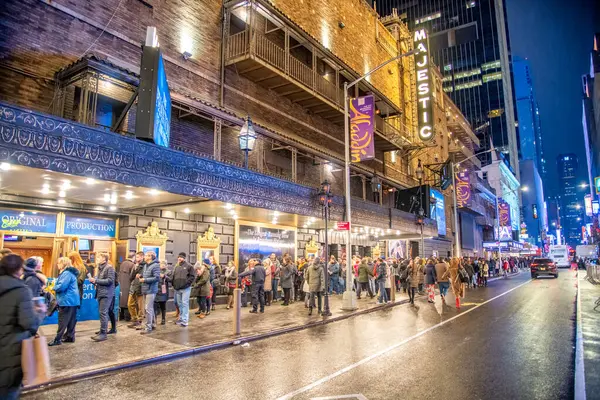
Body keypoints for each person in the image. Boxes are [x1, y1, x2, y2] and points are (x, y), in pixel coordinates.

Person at [0, 254, 47, 399]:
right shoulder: (21, 290)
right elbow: (29, 323)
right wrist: (40, 313)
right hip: (10, 351)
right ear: (19, 269)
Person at [48, 257, 80, 346]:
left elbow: (62, 286)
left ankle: (57, 339)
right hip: (72, 301)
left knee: (63, 320)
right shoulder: (70, 273)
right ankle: (70, 337)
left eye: (59, 263)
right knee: (71, 320)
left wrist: (52, 288)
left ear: (63, 264)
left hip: (67, 300)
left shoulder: (66, 273)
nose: (57, 265)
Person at [89, 252, 115, 342]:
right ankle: (102, 330)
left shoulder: (109, 268)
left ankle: (103, 333)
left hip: (106, 293)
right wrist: (94, 281)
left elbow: (110, 281)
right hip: (101, 292)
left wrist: (97, 280)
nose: (97, 259)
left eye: (98, 258)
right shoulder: (100, 268)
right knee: (102, 313)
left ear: (104, 259)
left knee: (103, 313)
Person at [138, 251, 160, 334]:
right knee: (149, 308)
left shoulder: (155, 265)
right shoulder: (145, 265)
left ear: (150, 257)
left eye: (146, 255)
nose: (144, 257)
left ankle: (148, 327)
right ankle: (153, 324)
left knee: (148, 308)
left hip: (151, 290)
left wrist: (145, 280)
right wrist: (141, 276)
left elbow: (157, 278)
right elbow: (146, 275)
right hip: (145, 289)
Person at [171, 252, 195, 326]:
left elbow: (192, 277)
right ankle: (181, 318)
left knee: (184, 303)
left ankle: (185, 320)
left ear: (184, 258)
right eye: (178, 257)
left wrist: (186, 284)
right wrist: (174, 285)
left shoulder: (189, 266)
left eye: (181, 257)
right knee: (180, 304)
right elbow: (174, 277)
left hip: (185, 289)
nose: (179, 258)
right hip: (177, 288)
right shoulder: (176, 266)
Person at [127, 251, 145, 328]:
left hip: (141, 288)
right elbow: (131, 277)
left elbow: (146, 275)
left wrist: (141, 275)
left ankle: (140, 321)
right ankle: (134, 319)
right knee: (130, 304)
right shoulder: (135, 265)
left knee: (141, 307)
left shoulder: (145, 266)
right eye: (136, 257)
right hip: (133, 287)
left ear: (142, 257)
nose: (137, 259)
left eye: (138, 257)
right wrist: (134, 269)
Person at [116, 251, 135, 320]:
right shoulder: (132, 265)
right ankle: (127, 317)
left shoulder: (122, 263)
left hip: (121, 284)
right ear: (133, 257)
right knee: (128, 301)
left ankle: (121, 316)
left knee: (121, 300)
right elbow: (132, 276)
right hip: (128, 285)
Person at [154, 260, 169, 326]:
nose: (162, 266)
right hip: (156, 290)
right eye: (161, 264)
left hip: (163, 291)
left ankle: (163, 319)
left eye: (164, 265)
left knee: (163, 306)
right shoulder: (157, 271)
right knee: (155, 306)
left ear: (166, 265)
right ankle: (155, 319)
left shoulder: (168, 272)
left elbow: (171, 279)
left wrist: (165, 277)